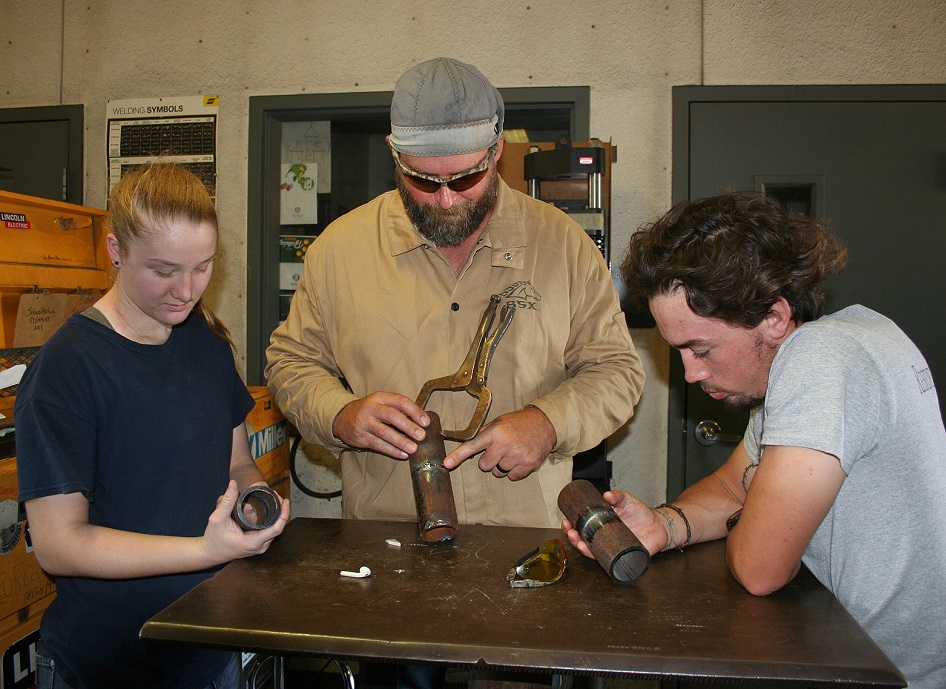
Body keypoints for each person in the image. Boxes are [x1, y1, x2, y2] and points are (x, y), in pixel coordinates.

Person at [265, 56, 644, 689]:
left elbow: (616, 372)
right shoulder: (340, 250)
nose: (445, 199)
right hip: (386, 557)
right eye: (422, 180)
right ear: (394, 154)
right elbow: (291, 361)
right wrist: (341, 414)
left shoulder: (564, 247)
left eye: (466, 179)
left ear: (497, 150)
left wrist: (548, 423)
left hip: (525, 556)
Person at [563, 191, 946, 689]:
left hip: (918, 677)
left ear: (772, 316)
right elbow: (732, 488)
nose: (689, 372)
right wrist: (665, 524)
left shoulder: (822, 359)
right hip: (863, 654)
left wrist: (758, 517)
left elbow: (759, 568)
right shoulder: (832, 347)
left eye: (700, 347)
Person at [15, 162, 291, 689]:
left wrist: (258, 505)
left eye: (202, 267)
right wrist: (204, 551)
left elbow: (236, 462)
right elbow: (58, 543)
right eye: (163, 270)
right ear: (115, 249)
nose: (185, 291)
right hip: (109, 665)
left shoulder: (207, 345)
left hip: (210, 651)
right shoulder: (69, 369)